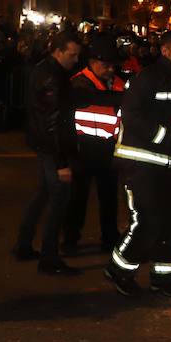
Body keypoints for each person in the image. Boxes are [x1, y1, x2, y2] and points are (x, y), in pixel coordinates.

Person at [107, 30, 171, 297]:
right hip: (139, 163)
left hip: (162, 164)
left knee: (169, 223)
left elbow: (170, 124)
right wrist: (170, 141)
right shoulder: (146, 79)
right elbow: (132, 117)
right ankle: (118, 270)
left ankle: (163, 280)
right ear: (165, 50)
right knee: (147, 222)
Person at [14, 30, 82, 276]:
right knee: (57, 201)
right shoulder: (54, 77)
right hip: (52, 149)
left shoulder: (46, 71)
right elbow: (53, 123)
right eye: (72, 55)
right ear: (58, 51)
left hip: (43, 145)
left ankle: (23, 245)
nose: (75, 60)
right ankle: (49, 257)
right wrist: (61, 162)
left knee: (43, 195)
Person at [63, 35, 126, 255]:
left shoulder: (118, 83)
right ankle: (70, 240)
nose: (110, 69)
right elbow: (97, 98)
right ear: (92, 63)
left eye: (113, 65)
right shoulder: (80, 82)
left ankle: (109, 238)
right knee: (77, 199)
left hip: (108, 150)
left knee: (109, 199)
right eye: (106, 65)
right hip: (83, 150)